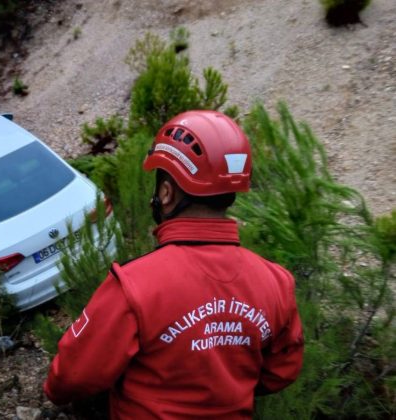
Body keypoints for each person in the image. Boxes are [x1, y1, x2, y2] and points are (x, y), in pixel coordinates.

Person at [43, 110, 304, 419]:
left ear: (165, 193)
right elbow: (282, 371)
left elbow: (70, 378)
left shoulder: (134, 286)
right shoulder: (275, 281)